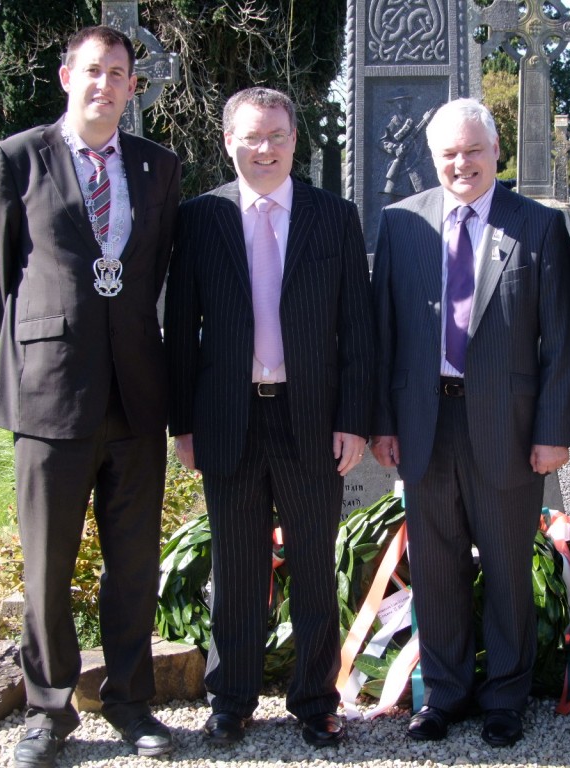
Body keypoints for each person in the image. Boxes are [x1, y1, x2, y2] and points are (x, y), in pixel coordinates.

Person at [0, 25, 180, 768]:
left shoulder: (157, 167)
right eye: (93, 70)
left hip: (135, 398)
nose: (105, 85)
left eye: (118, 74)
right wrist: (51, 339)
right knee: (48, 568)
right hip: (50, 397)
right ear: (67, 76)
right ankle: (50, 712)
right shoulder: (18, 158)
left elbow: (152, 275)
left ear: (130, 86)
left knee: (133, 565)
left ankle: (128, 701)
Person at [164, 87, 373, 748]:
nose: (265, 149)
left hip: (311, 418)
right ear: (229, 141)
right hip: (229, 418)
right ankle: (233, 698)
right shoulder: (201, 220)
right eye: (252, 137)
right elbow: (180, 329)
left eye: (277, 136)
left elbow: (357, 328)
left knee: (315, 563)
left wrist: (354, 418)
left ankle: (315, 700)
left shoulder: (333, 217)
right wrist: (182, 424)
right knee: (238, 566)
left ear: (294, 141)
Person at [370, 98, 570, 747]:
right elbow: (384, 332)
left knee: (507, 569)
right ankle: (445, 693)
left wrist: (553, 430)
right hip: (424, 423)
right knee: (435, 569)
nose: (461, 163)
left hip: (507, 428)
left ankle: (506, 697)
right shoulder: (402, 224)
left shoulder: (538, 227)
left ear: (497, 152)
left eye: (473, 150)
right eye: (448, 154)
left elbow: (562, 342)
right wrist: (383, 421)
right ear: (434, 159)